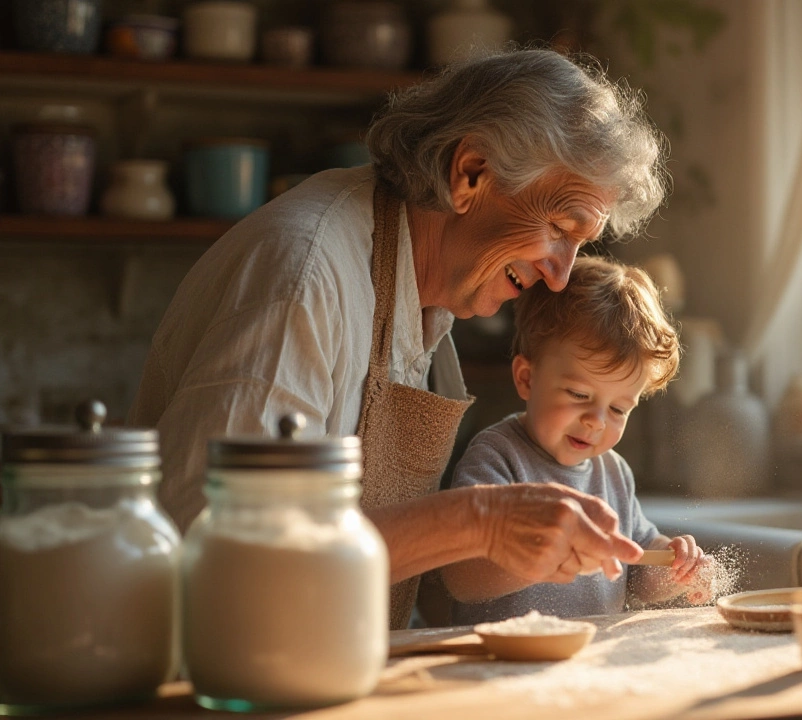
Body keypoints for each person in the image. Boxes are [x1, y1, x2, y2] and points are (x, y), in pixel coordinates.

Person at [127, 49, 669, 629]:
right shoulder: (305, 275)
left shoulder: (425, 302)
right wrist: (478, 522)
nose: (561, 275)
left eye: (580, 247)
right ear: (472, 174)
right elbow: (216, 554)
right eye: (560, 230)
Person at [443, 256, 715, 624]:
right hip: (503, 662)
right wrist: (545, 556)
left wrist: (672, 566)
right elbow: (461, 578)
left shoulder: (613, 472)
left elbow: (636, 569)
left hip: (586, 663)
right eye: (579, 394)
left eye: (618, 409)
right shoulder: (496, 457)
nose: (596, 421)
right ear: (526, 378)